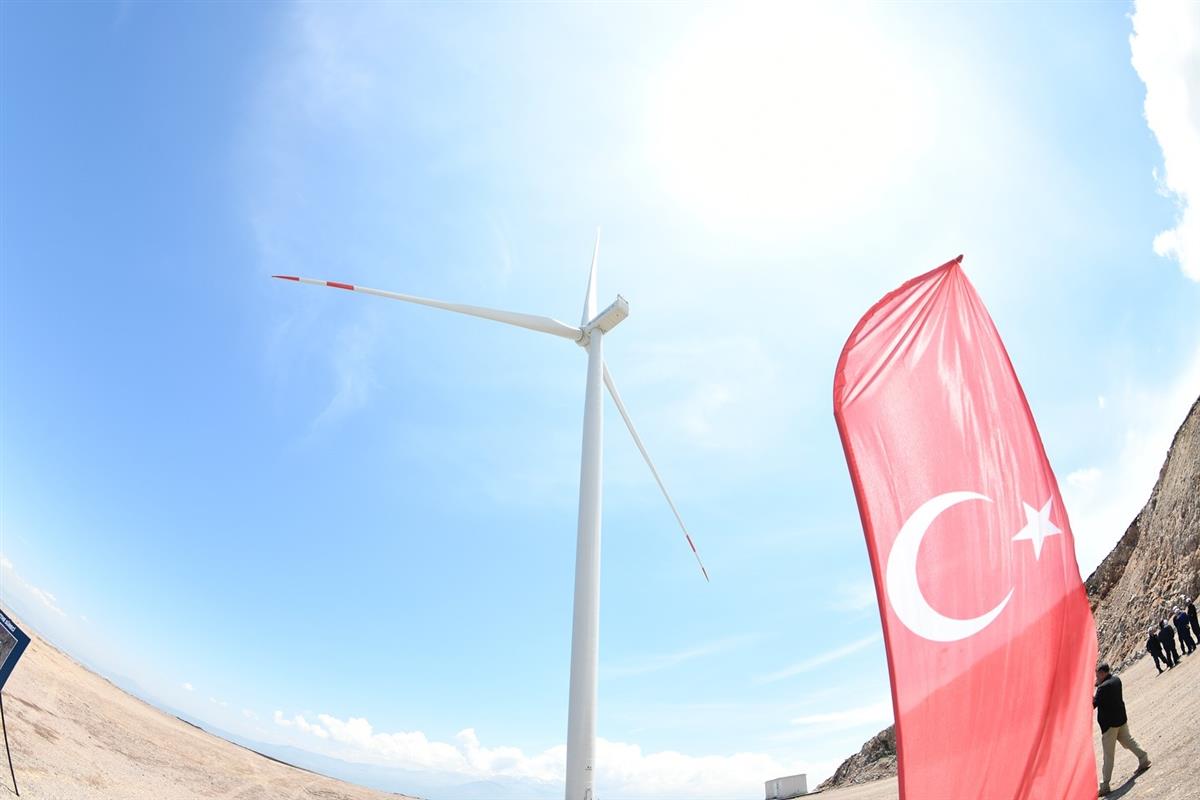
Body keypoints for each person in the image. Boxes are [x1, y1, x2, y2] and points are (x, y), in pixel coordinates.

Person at [1093, 663, 1150, 797]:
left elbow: (1093, 704)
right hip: (1120, 719)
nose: (1096, 677)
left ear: (1102, 673)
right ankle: (1144, 759)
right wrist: (1098, 685)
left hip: (1110, 726)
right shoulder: (1116, 679)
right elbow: (1103, 691)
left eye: (1097, 675)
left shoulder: (1103, 688)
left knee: (1108, 755)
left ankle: (1105, 785)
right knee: (1129, 740)